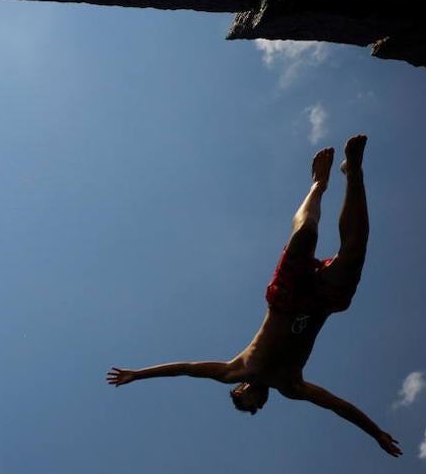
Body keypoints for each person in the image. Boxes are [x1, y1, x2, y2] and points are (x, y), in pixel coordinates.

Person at [107, 135, 401, 457]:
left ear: (240, 390)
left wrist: (138, 374)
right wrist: (375, 432)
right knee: (354, 254)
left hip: (285, 297)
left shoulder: (235, 370)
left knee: (305, 234)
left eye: (248, 406)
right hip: (319, 305)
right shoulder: (292, 386)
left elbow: (185, 368)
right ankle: (354, 171)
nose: (257, 406)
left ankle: (318, 185)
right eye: (256, 409)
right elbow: (339, 406)